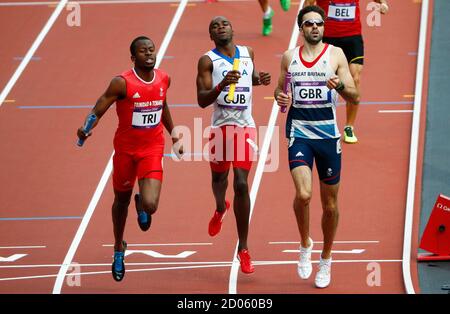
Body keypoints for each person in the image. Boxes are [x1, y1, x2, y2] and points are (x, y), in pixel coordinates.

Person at [77, 36, 183, 282]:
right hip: (125, 151)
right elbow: (99, 108)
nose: (149, 54)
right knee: (120, 202)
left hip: (152, 148)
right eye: (143, 51)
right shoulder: (121, 83)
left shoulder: (164, 78)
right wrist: (85, 127)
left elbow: (162, 105)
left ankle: (142, 203)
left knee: (151, 205)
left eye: (152, 50)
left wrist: (174, 132)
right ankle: (118, 248)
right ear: (133, 58)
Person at [275, 6, 359, 288]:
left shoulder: (335, 55)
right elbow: (281, 90)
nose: (315, 27)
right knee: (304, 193)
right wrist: (281, 98)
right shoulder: (289, 57)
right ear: (301, 28)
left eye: (319, 23)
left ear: (324, 27)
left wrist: (340, 88)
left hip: (328, 137)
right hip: (299, 134)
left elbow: (355, 95)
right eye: (309, 23)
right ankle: (305, 244)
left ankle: (326, 259)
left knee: (331, 205)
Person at [196, 16, 271, 274]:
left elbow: (248, 78)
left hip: (244, 126)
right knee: (219, 180)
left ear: (233, 29)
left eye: (225, 24)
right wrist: (221, 85)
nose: (220, 27)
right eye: (214, 25)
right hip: (219, 128)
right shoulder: (207, 61)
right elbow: (202, 100)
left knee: (241, 183)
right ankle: (220, 208)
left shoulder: (248, 53)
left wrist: (258, 79)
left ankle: (244, 248)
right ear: (211, 35)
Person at [303, 0, 389, 143]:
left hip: (352, 37)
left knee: (355, 79)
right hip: (328, 38)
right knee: (322, 80)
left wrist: (383, 3)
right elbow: (308, 4)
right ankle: (317, 120)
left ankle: (349, 127)